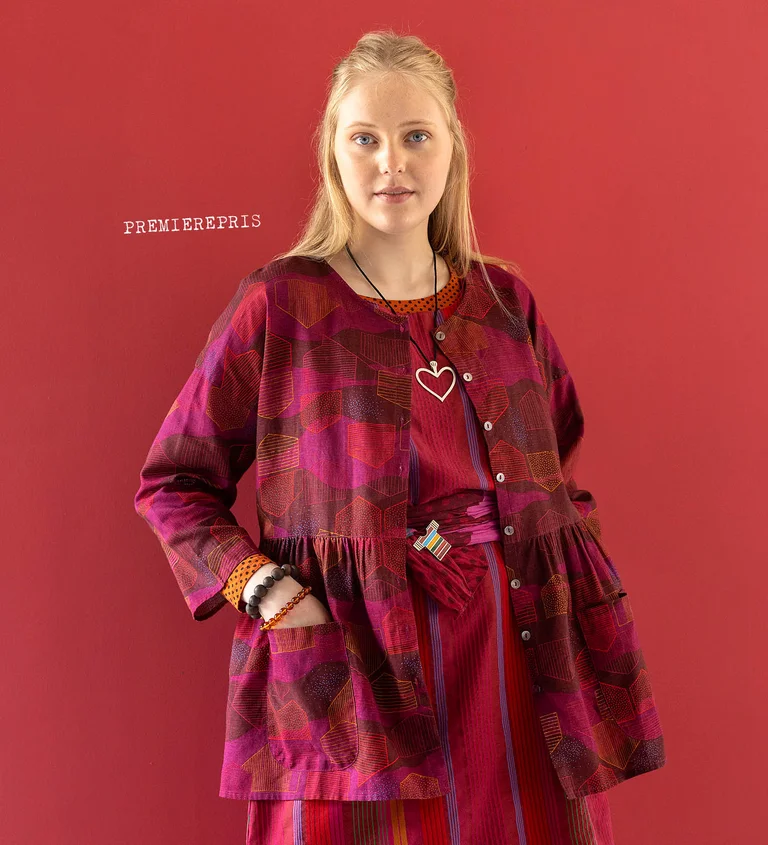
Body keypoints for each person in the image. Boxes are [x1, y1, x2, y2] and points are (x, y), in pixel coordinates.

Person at [134, 29, 666, 845]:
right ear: (332, 156)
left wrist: (565, 578)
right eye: (366, 138)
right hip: (355, 665)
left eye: (417, 135)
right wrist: (267, 591)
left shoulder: (504, 303)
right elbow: (173, 482)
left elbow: (557, 470)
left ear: (453, 147)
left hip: (516, 655)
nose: (393, 162)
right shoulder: (281, 305)